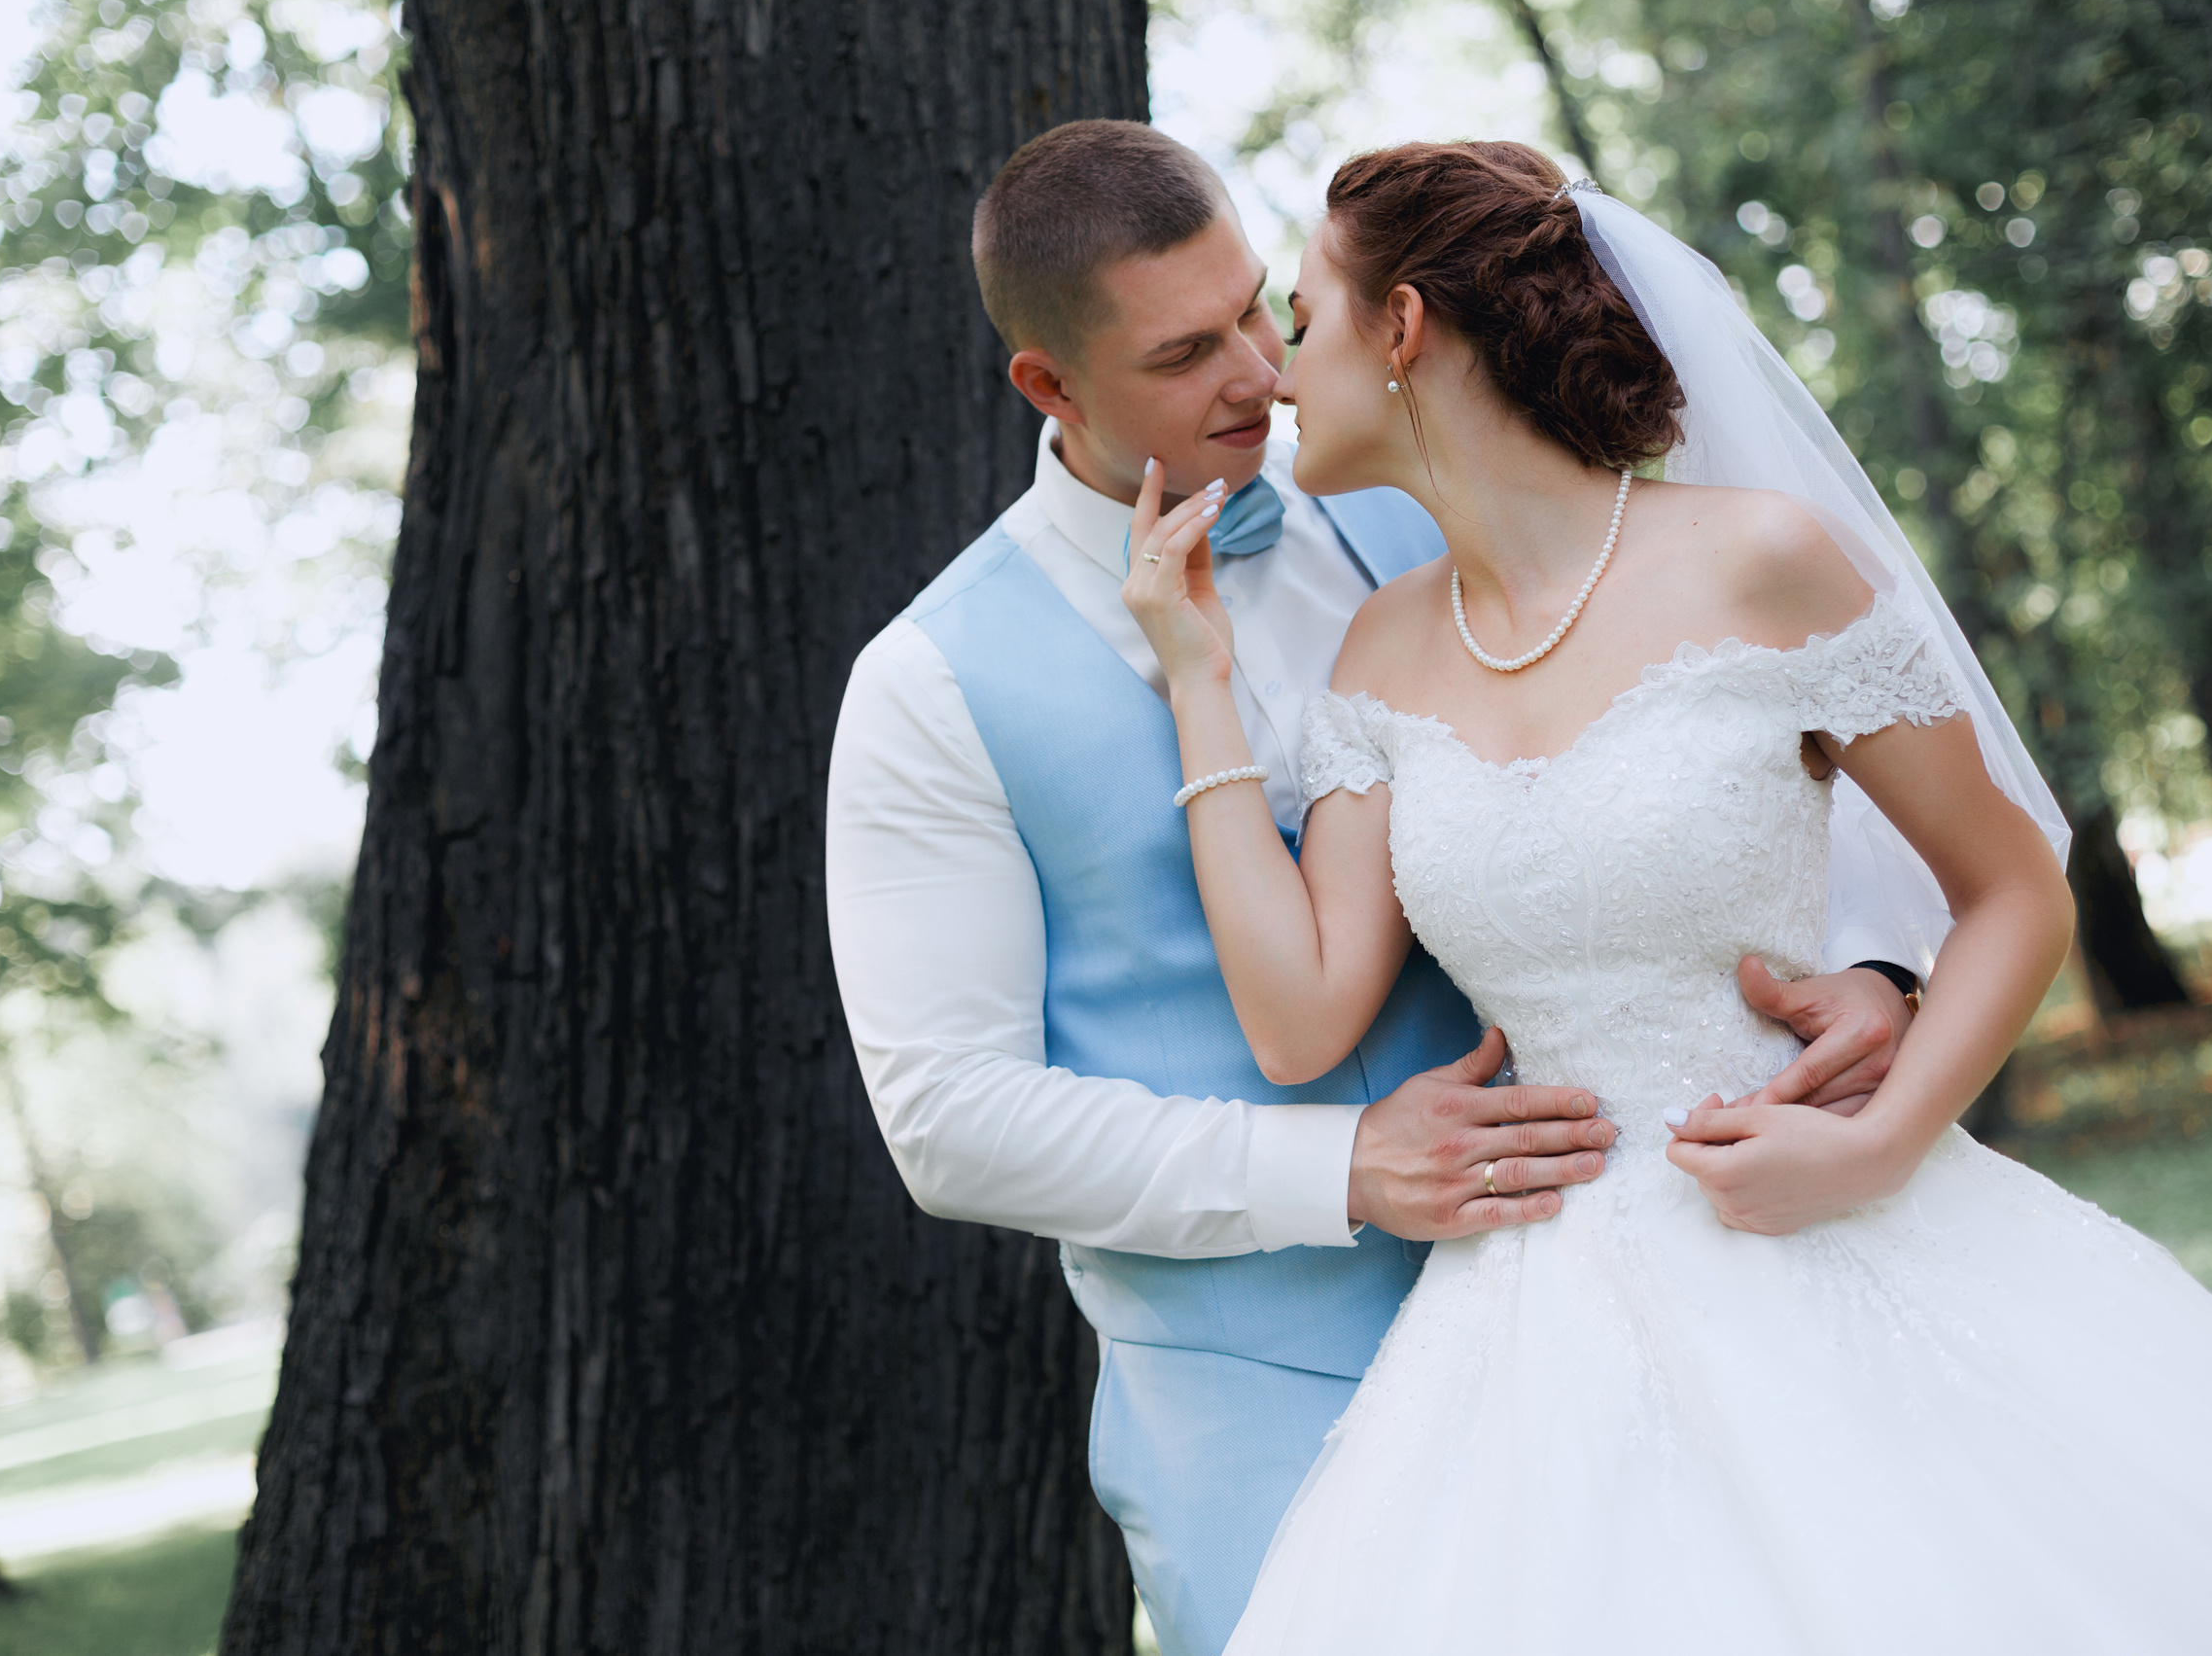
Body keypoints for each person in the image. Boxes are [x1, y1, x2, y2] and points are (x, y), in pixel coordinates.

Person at [1118, 139, 2212, 1655]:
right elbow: (1297, 1020)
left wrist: (1872, 1145)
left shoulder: (1763, 562)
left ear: (1405, 328)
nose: (1275, 371)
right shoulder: (1382, 654)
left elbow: (2011, 893)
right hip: (1536, 1337)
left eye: (1305, 317)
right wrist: (1197, 680)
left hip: (1831, 1238)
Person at [825, 121, 1935, 1656]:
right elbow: (951, 1121)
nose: (1262, 377)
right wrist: (1338, 1167)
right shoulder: (928, 688)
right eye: (1185, 353)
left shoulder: (1426, 493)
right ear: (1050, 387)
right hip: (1261, 1401)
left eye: (1260, 312)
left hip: (1633, 1293)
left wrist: (1877, 972)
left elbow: (1766, 730)